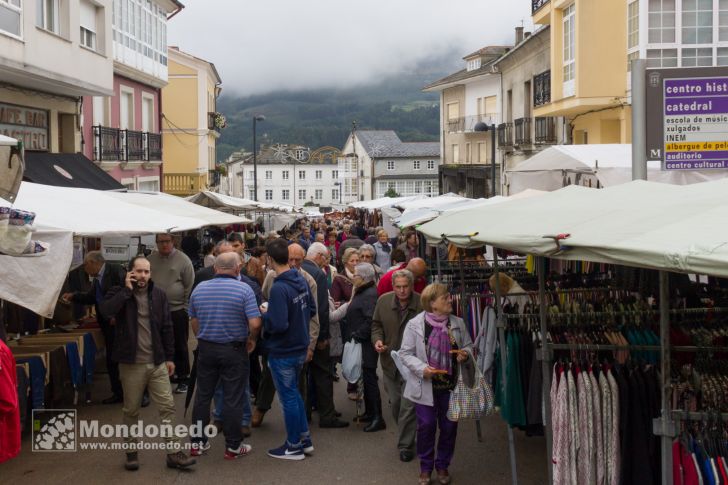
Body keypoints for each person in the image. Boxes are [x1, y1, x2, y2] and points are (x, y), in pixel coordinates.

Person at [99, 256, 196, 471]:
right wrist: (126, 291)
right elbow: (106, 311)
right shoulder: (118, 293)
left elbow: (167, 327)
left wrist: (170, 357)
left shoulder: (159, 295)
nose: (142, 276)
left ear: (150, 274)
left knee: (168, 408)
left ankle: (174, 453)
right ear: (130, 272)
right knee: (131, 410)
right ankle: (131, 453)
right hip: (131, 364)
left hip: (157, 363)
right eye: (138, 271)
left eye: (146, 272)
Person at [188, 252, 262, 460]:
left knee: (203, 396)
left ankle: (197, 443)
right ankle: (232, 447)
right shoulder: (244, 289)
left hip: (207, 348)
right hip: (233, 349)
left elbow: (193, 318)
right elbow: (255, 323)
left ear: (215, 269)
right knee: (233, 397)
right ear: (238, 269)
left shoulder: (200, 288)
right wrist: (252, 338)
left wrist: (201, 336)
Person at [399, 284, 475, 485]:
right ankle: (425, 467)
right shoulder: (415, 325)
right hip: (424, 386)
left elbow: (468, 345)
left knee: (449, 427)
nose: (450, 300)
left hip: (450, 388)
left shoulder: (457, 323)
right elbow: (405, 353)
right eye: (445, 298)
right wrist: (422, 368)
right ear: (432, 303)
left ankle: (442, 465)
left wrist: (465, 354)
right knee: (427, 425)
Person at [260, 238, 317, 460]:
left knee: (289, 398)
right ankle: (305, 439)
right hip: (299, 347)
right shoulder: (300, 279)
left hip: (284, 350)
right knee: (295, 395)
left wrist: (266, 314)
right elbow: (311, 309)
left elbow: (278, 324)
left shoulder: (279, 286)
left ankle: (293, 446)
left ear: (270, 259)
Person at [63, 251, 127, 404]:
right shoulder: (98, 279)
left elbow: (126, 294)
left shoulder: (115, 271)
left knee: (122, 359)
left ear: (93, 263)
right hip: (106, 323)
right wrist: (74, 296)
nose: (85, 269)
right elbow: (92, 297)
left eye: (85, 265)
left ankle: (133, 393)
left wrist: (117, 315)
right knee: (112, 359)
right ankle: (118, 393)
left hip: (118, 324)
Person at [371, 269, 422, 462]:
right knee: (396, 403)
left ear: (411, 285)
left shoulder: (421, 303)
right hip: (390, 362)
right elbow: (376, 325)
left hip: (414, 365)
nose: (401, 291)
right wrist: (377, 340)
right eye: (398, 287)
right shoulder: (383, 301)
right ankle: (407, 433)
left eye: (405, 287)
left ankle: (405, 446)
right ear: (393, 287)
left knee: (408, 406)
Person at [302, 243, 348, 428]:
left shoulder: (297, 269)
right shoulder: (318, 274)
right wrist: (322, 336)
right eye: (326, 257)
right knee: (323, 374)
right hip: (315, 332)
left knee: (303, 377)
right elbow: (320, 308)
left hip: (299, 332)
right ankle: (327, 415)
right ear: (319, 256)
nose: (327, 261)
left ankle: (306, 414)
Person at [146, 234, 195, 394]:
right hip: (155, 310)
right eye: (161, 242)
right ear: (156, 243)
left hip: (177, 310)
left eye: (167, 241)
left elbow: (189, 285)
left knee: (180, 344)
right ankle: (164, 376)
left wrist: (186, 308)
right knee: (158, 344)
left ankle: (183, 377)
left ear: (173, 242)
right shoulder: (150, 259)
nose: (164, 244)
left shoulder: (183, 259)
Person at [344, 262, 385, 432]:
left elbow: (371, 320)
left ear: (364, 277)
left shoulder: (368, 294)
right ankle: (370, 412)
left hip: (366, 343)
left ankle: (378, 417)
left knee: (370, 379)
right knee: (366, 379)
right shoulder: (364, 291)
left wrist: (357, 335)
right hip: (363, 342)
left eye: (356, 275)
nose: (353, 277)